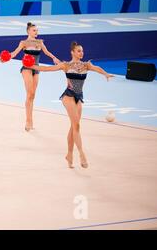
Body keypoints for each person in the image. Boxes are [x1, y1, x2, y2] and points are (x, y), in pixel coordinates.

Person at [31, 41, 114, 169]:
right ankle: (81, 154)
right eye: (79, 51)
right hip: (68, 96)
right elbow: (48, 69)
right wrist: (33, 66)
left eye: (82, 51)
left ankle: (69, 155)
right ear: (73, 52)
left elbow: (97, 68)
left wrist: (106, 74)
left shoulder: (86, 65)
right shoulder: (66, 65)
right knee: (77, 125)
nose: (82, 53)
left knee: (73, 127)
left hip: (79, 98)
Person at [6, 22, 60, 131]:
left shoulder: (40, 42)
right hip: (26, 68)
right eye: (34, 30)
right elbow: (14, 53)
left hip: (37, 69)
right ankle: (28, 121)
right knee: (29, 93)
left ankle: (31, 120)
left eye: (37, 30)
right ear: (28, 31)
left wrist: (54, 58)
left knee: (32, 95)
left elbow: (47, 52)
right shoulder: (24, 43)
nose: (36, 32)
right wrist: (6, 57)